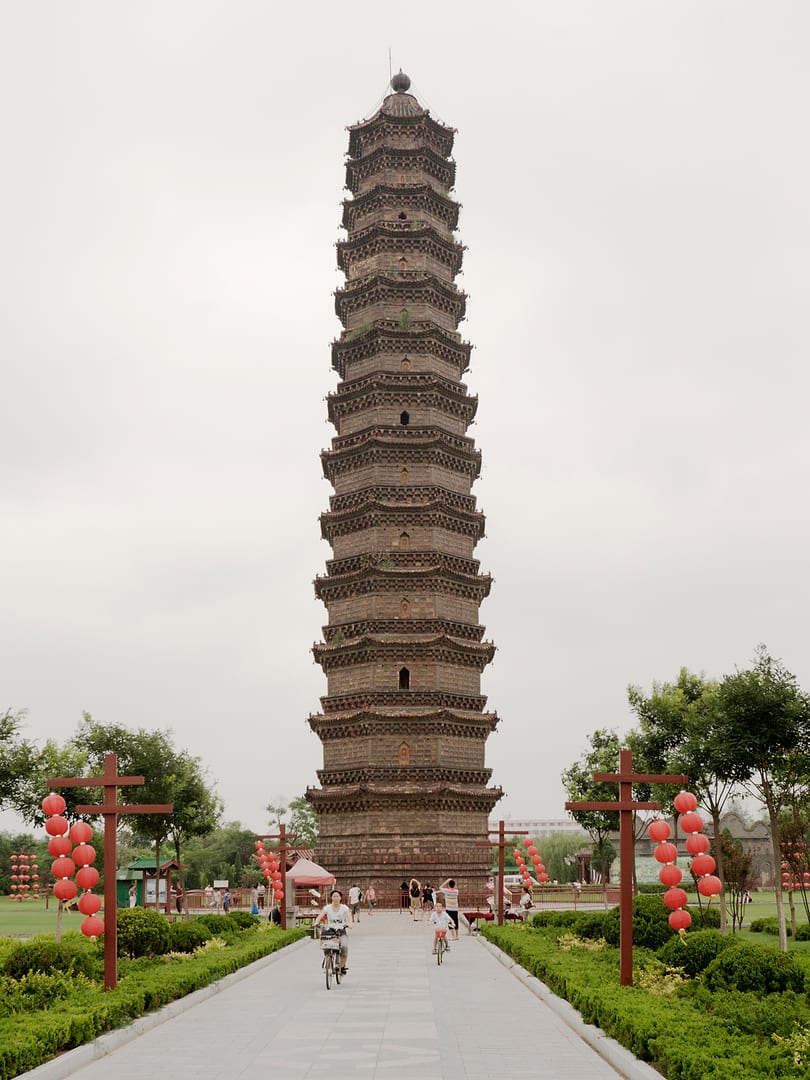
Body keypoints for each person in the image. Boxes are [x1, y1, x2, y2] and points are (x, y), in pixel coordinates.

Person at [315, 889, 351, 975]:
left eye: (337, 896)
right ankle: (328, 959)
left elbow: (349, 917)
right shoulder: (327, 908)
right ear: (331, 898)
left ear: (340, 898)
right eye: (334, 896)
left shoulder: (344, 908)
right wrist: (316, 922)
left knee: (344, 947)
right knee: (326, 945)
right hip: (330, 930)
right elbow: (320, 916)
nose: (335, 898)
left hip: (341, 930)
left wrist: (350, 923)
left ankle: (342, 967)